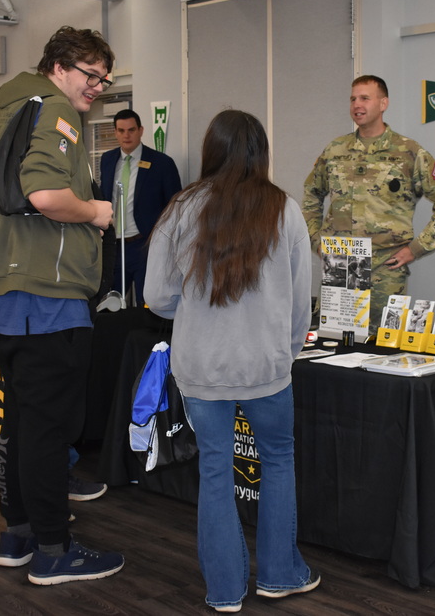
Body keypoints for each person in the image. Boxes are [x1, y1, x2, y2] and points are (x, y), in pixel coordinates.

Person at [146, 110, 319, 613]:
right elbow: (298, 298)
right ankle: (280, 576)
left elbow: (157, 296)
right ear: (260, 153)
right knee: (278, 463)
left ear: (211, 150)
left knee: (217, 471)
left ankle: (224, 593)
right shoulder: (283, 209)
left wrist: (196, 310)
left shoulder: (181, 208)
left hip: (200, 368)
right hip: (266, 366)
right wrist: (286, 353)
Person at [0, 25, 123, 585]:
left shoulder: (13, 107)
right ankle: (56, 549)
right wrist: (96, 211)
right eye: (90, 75)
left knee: (21, 423)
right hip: (44, 296)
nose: (97, 89)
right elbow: (45, 196)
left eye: (104, 80)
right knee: (47, 430)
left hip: (7, 291)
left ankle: (21, 534)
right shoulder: (56, 112)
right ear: (59, 66)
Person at [302, 75, 435, 334]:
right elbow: (311, 194)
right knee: (334, 344)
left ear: (383, 103)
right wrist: (316, 239)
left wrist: (417, 248)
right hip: (342, 262)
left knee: (383, 346)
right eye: (353, 98)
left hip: (386, 268)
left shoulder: (408, 151)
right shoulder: (335, 150)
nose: (357, 104)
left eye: (365, 98)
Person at [99, 108, 182, 306]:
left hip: (144, 245)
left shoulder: (162, 163)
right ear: (115, 132)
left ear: (141, 130)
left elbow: (175, 207)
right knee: (110, 303)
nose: (126, 135)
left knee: (147, 303)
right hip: (114, 245)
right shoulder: (107, 160)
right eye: (121, 131)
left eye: (131, 130)